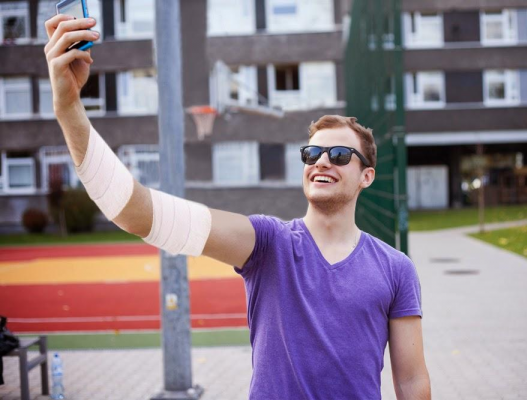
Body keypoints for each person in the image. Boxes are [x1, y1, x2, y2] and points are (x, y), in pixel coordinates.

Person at [44, 14, 431, 400]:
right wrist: (68, 108)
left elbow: (412, 382)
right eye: (313, 152)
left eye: (340, 154)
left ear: (367, 176)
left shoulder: (395, 268)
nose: (322, 161)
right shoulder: (268, 243)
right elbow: (136, 211)